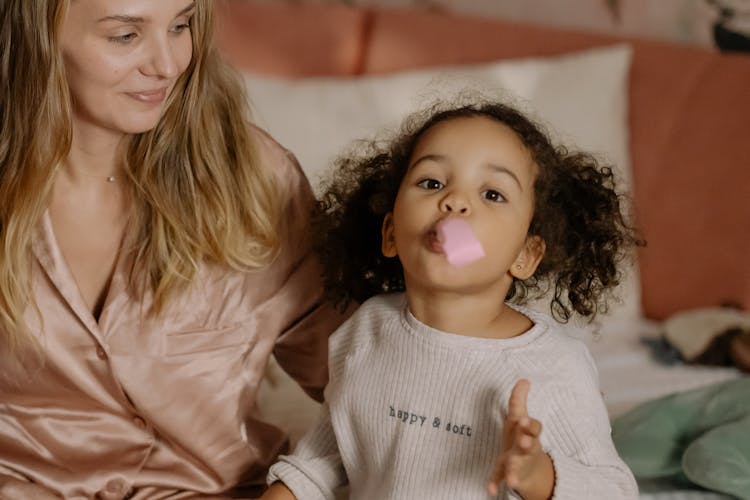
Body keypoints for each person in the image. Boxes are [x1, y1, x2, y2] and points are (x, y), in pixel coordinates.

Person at [0, 1, 346, 499]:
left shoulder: (255, 182)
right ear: (37, 37)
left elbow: (363, 387)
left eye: (181, 25)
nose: (167, 64)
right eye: (125, 36)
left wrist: (296, 488)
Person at [260, 99, 642, 499]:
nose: (455, 202)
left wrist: (540, 475)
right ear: (390, 233)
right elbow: (330, 453)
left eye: (492, 194)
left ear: (524, 255)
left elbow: (614, 490)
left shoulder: (552, 368)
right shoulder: (366, 331)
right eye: (432, 183)